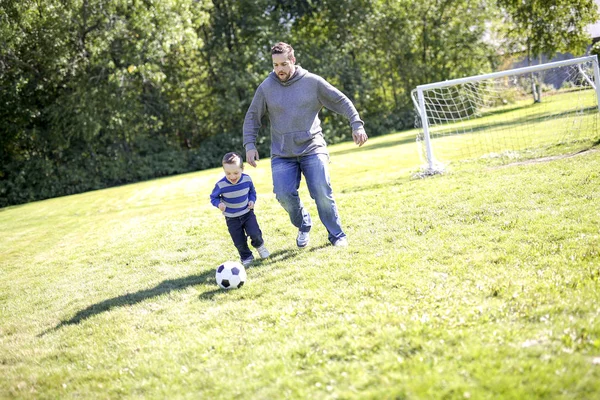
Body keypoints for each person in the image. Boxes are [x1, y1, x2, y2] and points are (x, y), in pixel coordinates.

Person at [243, 42, 368, 248]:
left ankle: (337, 236)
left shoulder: (311, 82)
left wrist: (356, 124)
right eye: (275, 65)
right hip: (282, 153)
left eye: (283, 64)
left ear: (292, 60)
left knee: (321, 190)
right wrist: (249, 144)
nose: (279, 69)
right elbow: (252, 117)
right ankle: (304, 223)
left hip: (312, 147)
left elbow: (341, 101)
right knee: (283, 195)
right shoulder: (266, 87)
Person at [210, 152, 270, 266]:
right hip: (232, 218)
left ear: (242, 168)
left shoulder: (247, 179)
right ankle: (246, 256)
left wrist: (252, 200)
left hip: (247, 213)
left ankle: (260, 246)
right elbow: (213, 197)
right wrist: (219, 204)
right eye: (228, 173)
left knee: (255, 233)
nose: (232, 176)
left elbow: (252, 192)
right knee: (239, 241)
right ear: (224, 171)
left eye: (236, 173)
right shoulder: (221, 185)